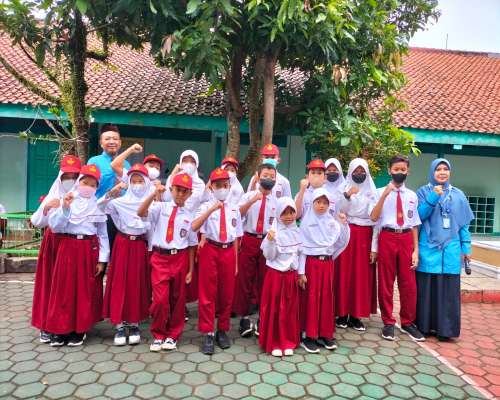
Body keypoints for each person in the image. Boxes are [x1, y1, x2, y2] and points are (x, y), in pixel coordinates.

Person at [46, 164, 109, 347]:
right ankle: (60, 329)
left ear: (96, 188)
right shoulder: (67, 199)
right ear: (78, 182)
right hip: (67, 247)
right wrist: (65, 208)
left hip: (88, 250)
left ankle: (79, 330)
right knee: (63, 289)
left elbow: (103, 234)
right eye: (85, 182)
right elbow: (55, 226)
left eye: (92, 185)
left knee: (83, 290)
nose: (88, 187)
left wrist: (102, 260)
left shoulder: (98, 206)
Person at [137, 173, 197, 352]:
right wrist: (153, 193)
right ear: (171, 189)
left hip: (180, 258)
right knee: (160, 300)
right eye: (178, 190)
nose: (180, 194)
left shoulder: (190, 215)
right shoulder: (160, 207)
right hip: (160, 257)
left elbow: (191, 244)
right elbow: (141, 213)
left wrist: (190, 270)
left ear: (190, 194)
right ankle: (158, 334)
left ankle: (173, 335)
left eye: (185, 191)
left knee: (178, 299)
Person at [415, 158, 474, 341]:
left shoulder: (458, 195)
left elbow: (464, 225)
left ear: (450, 172)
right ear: (432, 172)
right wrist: (434, 196)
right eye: (438, 169)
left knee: (448, 291)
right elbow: (419, 216)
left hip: (451, 249)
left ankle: (445, 330)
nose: (442, 172)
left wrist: (466, 248)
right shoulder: (423, 191)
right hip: (428, 247)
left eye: (445, 169)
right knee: (427, 290)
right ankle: (424, 327)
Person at [369, 155, 424, 342]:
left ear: (408, 171)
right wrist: (385, 194)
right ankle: (388, 322)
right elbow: (373, 218)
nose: (399, 172)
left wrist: (416, 250)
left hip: (406, 237)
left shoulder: (412, 195)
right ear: (389, 170)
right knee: (386, 282)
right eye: (396, 169)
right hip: (387, 236)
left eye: (403, 170)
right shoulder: (379, 192)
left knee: (409, 283)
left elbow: (414, 223)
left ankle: (408, 322)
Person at [192, 167, 243, 354]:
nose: (222, 188)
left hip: (228, 251)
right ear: (211, 187)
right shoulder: (205, 206)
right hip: (210, 249)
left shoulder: (234, 208)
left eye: (225, 185)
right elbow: (194, 226)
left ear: (229, 186)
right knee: (208, 293)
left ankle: (222, 329)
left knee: (226, 293)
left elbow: (236, 237)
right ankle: (208, 332)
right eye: (218, 185)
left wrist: (235, 262)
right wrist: (211, 209)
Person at [100, 164, 153, 346]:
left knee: (136, 283)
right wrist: (111, 193)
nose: (137, 185)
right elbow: (100, 208)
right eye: (134, 181)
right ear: (129, 183)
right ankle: (120, 325)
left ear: (146, 183)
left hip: (140, 246)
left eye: (140, 181)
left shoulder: (152, 203)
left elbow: (152, 229)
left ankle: (134, 323)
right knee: (120, 282)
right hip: (122, 244)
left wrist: (151, 249)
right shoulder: (119, 202)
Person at [30, 155, 81, 343]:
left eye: (74, 176)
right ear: (60, 176)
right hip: (53, 244)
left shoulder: (83, 194)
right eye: (66, 176)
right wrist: (47, 208)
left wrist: (62, 204)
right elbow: (36, 221)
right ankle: (45, 323)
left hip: (72, 244)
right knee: (48, 284)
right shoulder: (53, 194)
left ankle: (68, 324)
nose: (70, 179)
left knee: (68, 287)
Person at [298, 188, 350, 353]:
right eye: (318, 202)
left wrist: (343, 225)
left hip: (327, 265)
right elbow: (302, 250)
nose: (321, 206)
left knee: (326, 298)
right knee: (312, 299)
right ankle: (309, 336)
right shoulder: (306, 223)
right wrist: (301, 272)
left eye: (325, 203)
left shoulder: (331, 223)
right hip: (311, 265)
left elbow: (340, 242)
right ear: (312, 203)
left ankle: (324, 334)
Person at [233, 162, 278, 338]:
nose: (268, 179)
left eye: (272, 177)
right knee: (245, 280)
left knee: (263, 281)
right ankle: (244, 318)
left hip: (267, 241)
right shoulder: (248, 196)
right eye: (265, 176)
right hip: (249, 239)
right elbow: (237, 215)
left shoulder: (277, 201)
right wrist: (252, 201)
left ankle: (262, 319)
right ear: (258, 176)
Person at [335, 158, 378, 331]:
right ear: (350, 172)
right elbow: (339, 209)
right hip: (347, 232)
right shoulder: (343, 187)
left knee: (361, 275)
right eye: (356, 171)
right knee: (344, 273)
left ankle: (356, 315)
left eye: (362, 172)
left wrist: (374, 247)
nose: (359, 174)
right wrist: (347, 195)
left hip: (365, 234)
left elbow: (376, 220)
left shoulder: (373, 191)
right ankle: (342, 313)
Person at [259, 197, 301, 357]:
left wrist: (300, 273)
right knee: (275, 310)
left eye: (291, 212)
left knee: (289, 310)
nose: (289, 216)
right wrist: (270, 242)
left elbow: (300, 254)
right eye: (285, 213)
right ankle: (274, 342)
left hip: (290, 277)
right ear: (278, 214)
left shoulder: (297, 231)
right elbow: (269, 256)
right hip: (276, 277)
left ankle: (288, 341)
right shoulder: (273, 232)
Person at [87, 124, 130, 249]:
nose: (112, 142)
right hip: (100, 212)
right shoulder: (94, 162)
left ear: (120, 143)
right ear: (101, 143)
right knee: (100, 251)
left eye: (115, 139)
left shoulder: (127, 164)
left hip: (121, 214)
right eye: (107, 139)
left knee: (118, 251)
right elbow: (88, 187)